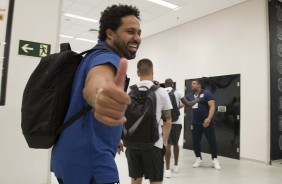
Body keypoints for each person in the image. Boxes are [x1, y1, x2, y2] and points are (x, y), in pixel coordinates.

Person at [51, 4, 142, 184]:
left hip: (69, 156)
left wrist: (113, 135)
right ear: (110, 33)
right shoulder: (107, 58)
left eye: (139, 32)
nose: (137, 38)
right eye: (131, 31)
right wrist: (100, 96)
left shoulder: (90, 56)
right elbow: (98, 80)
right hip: (90, 163)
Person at [125, 58, 172, 184]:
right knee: (155, 180)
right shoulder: (161, 91)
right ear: (152, 72)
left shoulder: (129, 91)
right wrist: (165, 141)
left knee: (135, 179)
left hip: (132, 143)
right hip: (154, 144)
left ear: (137, 72)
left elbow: (122, 116)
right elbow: (168, 119)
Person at [163, 78, 200, 178]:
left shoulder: (161, 92)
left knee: (167, 145)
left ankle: (167, 170)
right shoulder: (178, 92)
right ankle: (175, 166)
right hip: (176, 122)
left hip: (166, 122)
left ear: (165, 84)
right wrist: (196, 100)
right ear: (173, 84)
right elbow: (188, 104)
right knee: (175, 144)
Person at [185, 79, 221, 170]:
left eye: (194, 83)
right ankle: (198, 159)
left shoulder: (206, 93)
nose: (192, 85)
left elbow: (212, 106)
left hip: (207, 123)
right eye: (191, 84)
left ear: (199, 85)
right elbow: (182, 104)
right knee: (195, 142)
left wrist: (209, 118)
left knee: (212, 142)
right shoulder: (189, 96)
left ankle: (215, 160)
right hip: (195, 124)